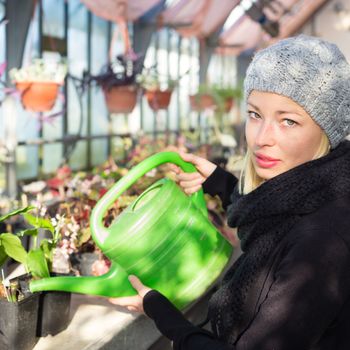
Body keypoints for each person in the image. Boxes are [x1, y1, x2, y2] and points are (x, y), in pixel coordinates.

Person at [109, 34, 350, 349]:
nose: (262, 138)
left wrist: (162, 312)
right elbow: (272, 218)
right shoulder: (315, 192)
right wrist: (219, 182)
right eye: (254, 114)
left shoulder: (324, 244)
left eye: (288, 121)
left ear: (325, 130)